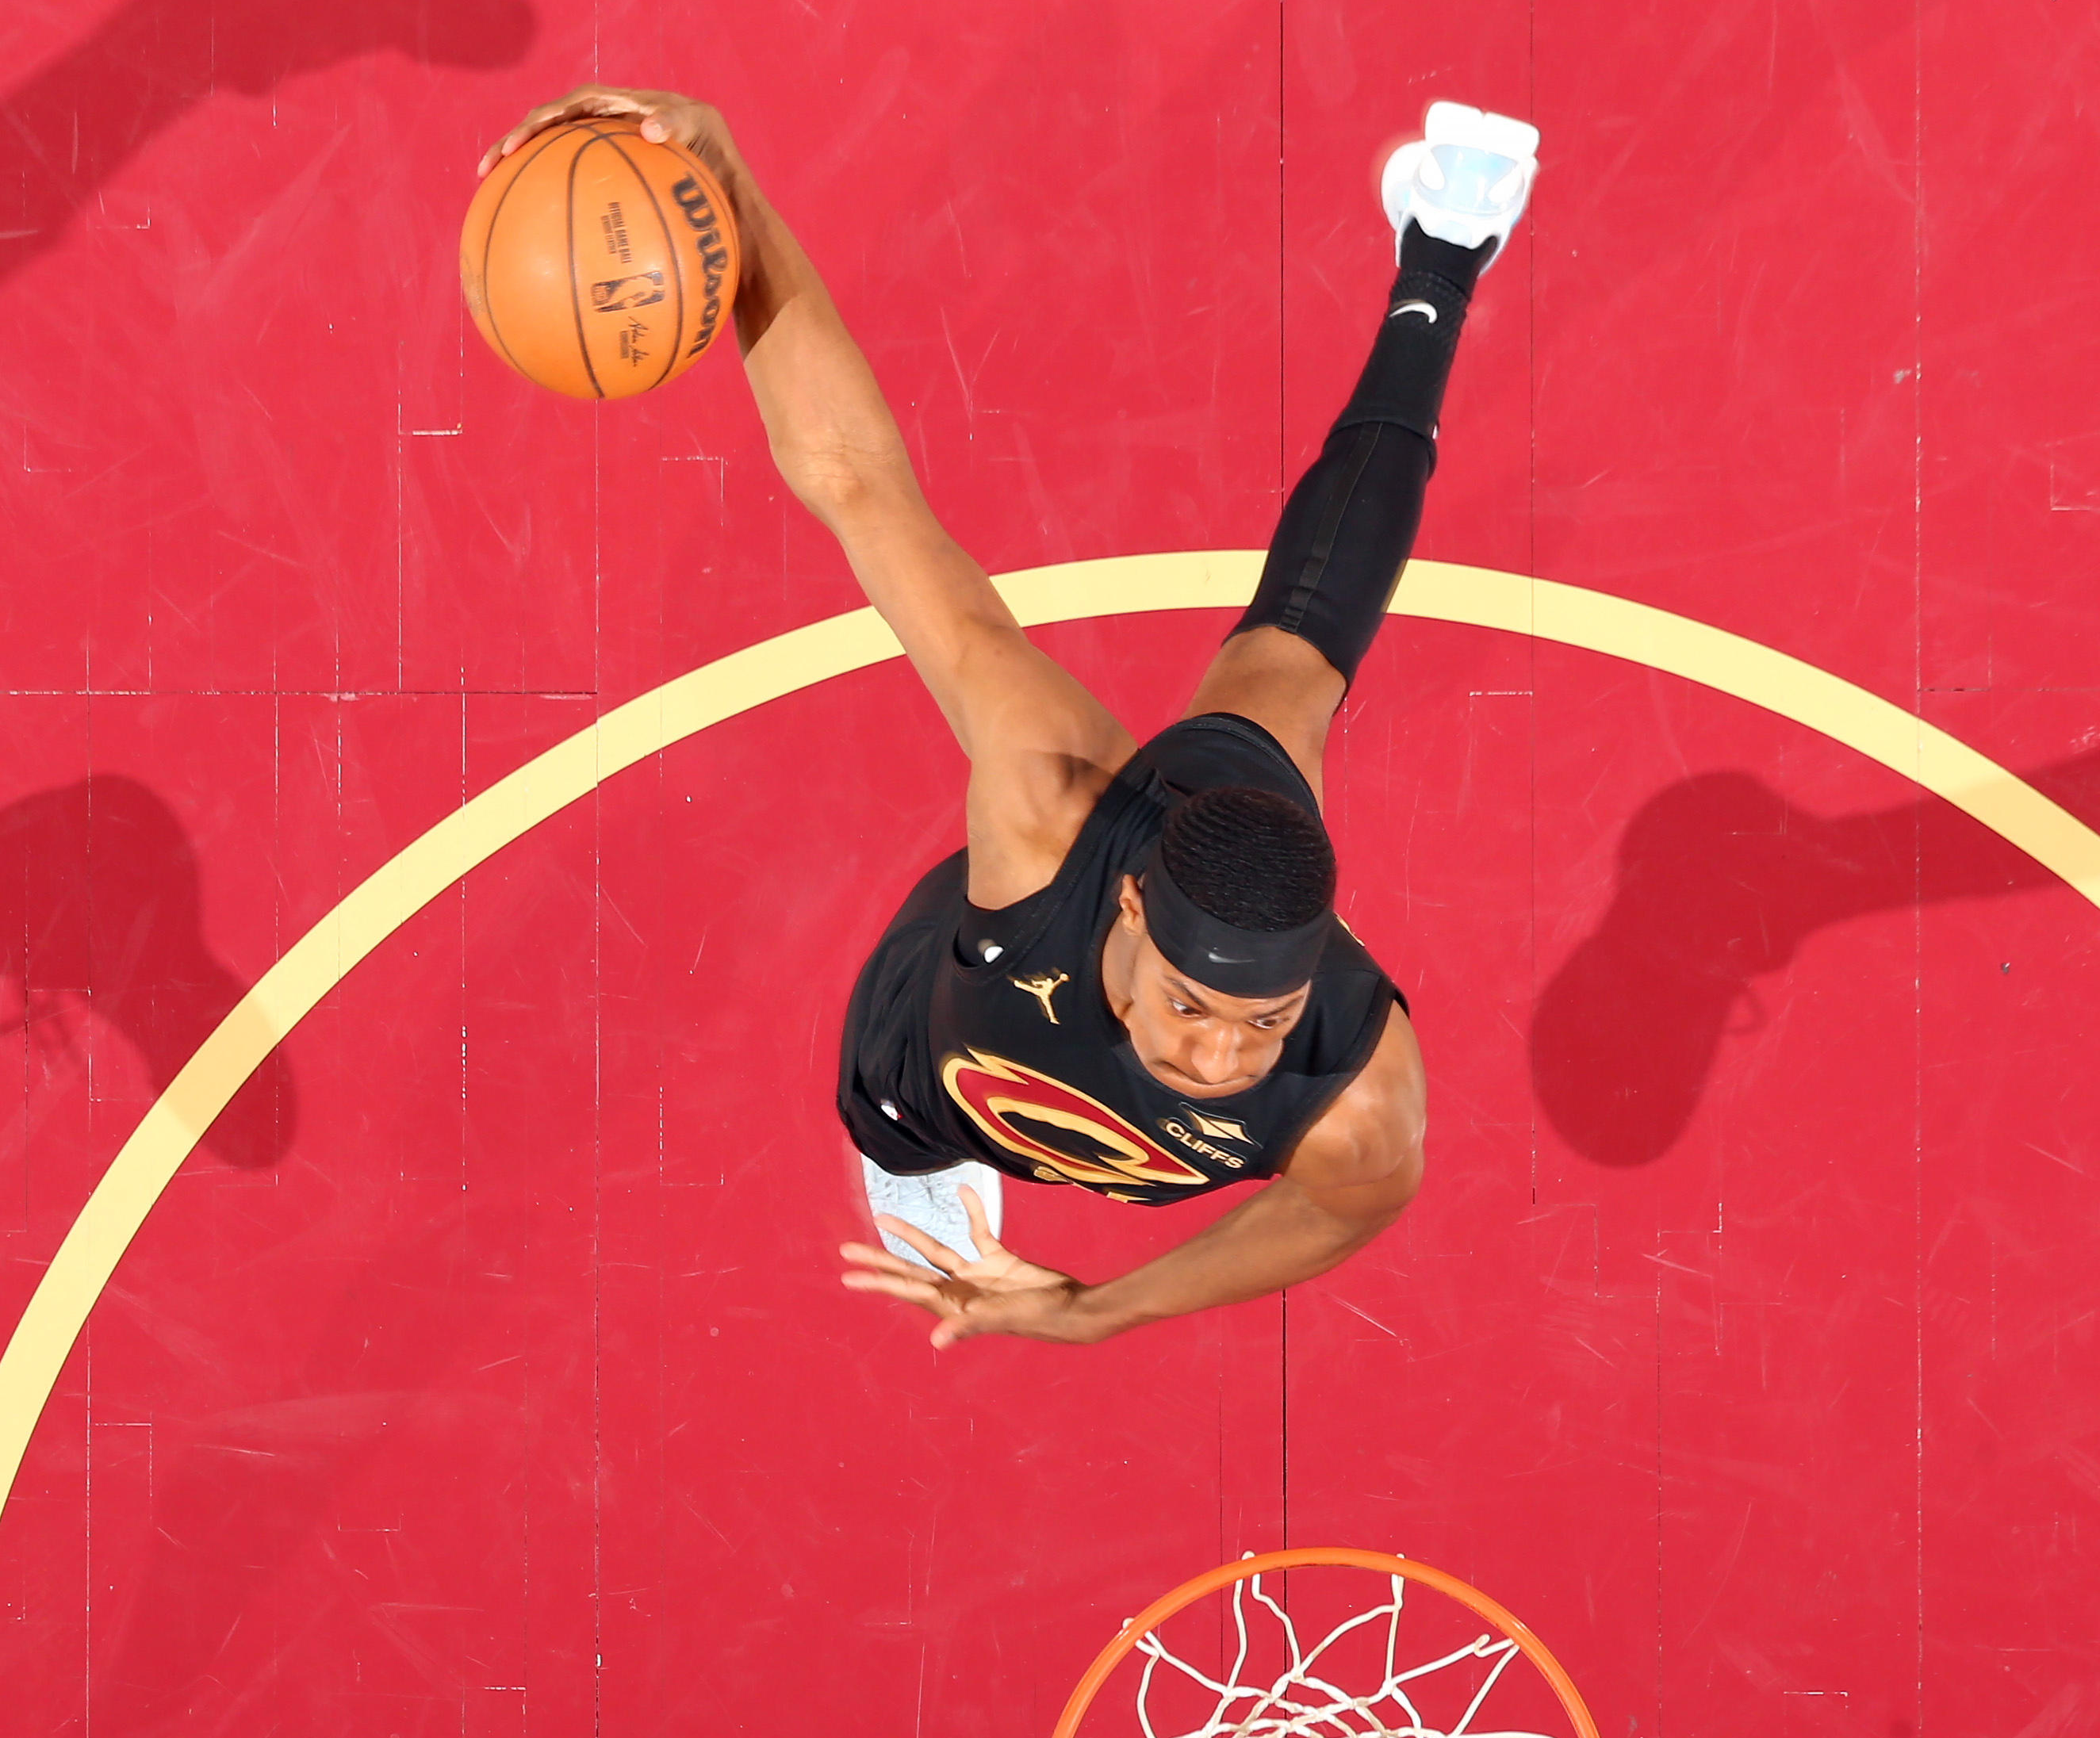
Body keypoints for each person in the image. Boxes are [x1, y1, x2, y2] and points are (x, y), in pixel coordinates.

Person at [477, 89, 1540, 1346]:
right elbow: (863, 491)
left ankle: (1443, 247)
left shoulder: (1363, 1105)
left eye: (1265, 1022)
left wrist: (1098, 1310)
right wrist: (730, 193)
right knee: (1295, 658)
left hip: (1027, 1019)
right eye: (1197, 1006)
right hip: (917, 1073)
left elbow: (1333, 1215)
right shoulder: (1045, 816)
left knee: (1295, 666)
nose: (1217, 1060)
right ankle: (1447, 256)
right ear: (1135, 905)